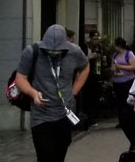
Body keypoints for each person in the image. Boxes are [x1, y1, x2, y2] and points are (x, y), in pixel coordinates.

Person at [13, 23, 90, 162]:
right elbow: (20, 78)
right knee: (45, 155)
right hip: (41, 115)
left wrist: (74, 91)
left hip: (65, 113)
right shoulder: (31, 52)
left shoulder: (75, 52)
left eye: (58, 51)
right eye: (49, 50)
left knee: (60, 154)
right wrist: (33, 93)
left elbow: (85, 68)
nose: (54, 53)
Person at [111, 37, 135, 144]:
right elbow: (112, 66)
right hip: (117, 81)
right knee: (119, 102)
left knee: (127, 101)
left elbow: (133, 66)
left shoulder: (129, 54)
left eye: (115, 45)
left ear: (119, 45)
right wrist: (113, 69)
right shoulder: (115, 55)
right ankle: (121, 120)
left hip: (127, 81)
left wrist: (121, 66)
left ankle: (130, 118)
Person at [81, 30, 106, 123]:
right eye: (94, 39)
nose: (96, 41)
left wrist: (103, 59)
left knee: (96, 95)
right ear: (90, 39)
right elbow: (81, 59)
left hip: (97, 73)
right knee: (88, 96)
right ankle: (88, 117)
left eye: (97, 39)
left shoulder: (100, 47)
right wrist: (90, 57)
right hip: (87, 74)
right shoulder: (85, 46)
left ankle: (94, 116)